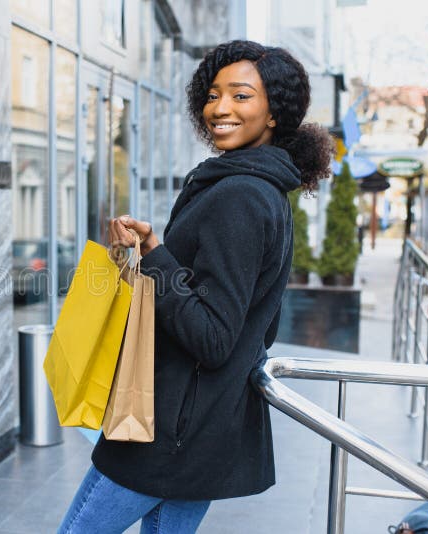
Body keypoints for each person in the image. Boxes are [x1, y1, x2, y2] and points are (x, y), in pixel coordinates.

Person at [57, 40, 333, 533]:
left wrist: (156, 256)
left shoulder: (241, 196)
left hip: (163, 431)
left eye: (241, 95)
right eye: (212, 94)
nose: (220, 108)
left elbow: (214, 336)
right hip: (199, 428)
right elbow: (258, 326)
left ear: (274, 113)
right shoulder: (255, 188)